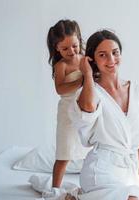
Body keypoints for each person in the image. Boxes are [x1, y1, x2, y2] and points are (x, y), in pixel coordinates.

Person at [69, 30, 139, 200]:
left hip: (133, 166)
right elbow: (88, 108)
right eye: (102, 55)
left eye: (115, 53)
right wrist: (88, 75)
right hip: (103, 168)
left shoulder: (136, 90)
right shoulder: (89, 93)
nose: (111, 60)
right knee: (132, 198)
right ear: (92, 60)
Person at [47, 19, 86, 188]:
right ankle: (55, 188)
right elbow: (60, 89)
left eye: (74, 46)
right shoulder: (60, 65)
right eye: (65, 48)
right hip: (68, 113)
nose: (71, 51)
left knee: (90, 152)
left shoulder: (85, 59)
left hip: (85, 110)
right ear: (57, 48)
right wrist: (83, 80)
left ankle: (90, 185)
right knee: (64, 153)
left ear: (79, 40)